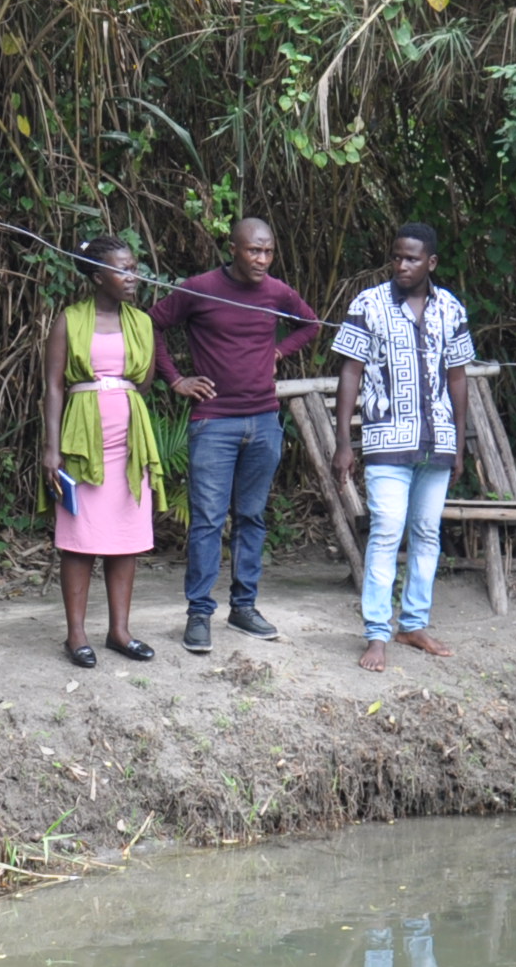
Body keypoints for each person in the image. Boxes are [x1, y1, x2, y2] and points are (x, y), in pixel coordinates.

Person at [150, 215, 327, 653]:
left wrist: (278, 352)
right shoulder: (201, 288)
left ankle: (244, 608)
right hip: (213, 422)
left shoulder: (276, 291)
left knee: (251, 517)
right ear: (233, 248)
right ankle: (199, 614)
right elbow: (150, 323)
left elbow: (311, 324)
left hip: (264, 420)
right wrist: (175, 379)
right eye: (253, 250)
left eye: (268, 251)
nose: (261, 259)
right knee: (208, 520)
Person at [329, 222, 474, 673]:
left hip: (438, 442)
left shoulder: (451, 308)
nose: (402, 265)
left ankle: (412, 624)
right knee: (388, 530)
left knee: (428, 533)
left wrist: (460, 443)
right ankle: (376, 633)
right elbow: (350, 372)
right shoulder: (368, 304)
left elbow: (457, 378)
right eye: (396, 257)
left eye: (412, 259)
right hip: (386, 443)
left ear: (430, 262)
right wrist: (343, 442)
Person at [47, 238, 166, 667]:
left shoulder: (142, 322)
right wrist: (51, 449)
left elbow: (145, 382)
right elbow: (55, 386)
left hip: (130, 443)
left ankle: (120, 631)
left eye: (135, 267)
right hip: (81, 441)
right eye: (122, 270)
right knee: (79, 540)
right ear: (98, 276)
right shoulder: (70, 320)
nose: (133, 276)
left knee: (125, 539)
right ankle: (76, 634)